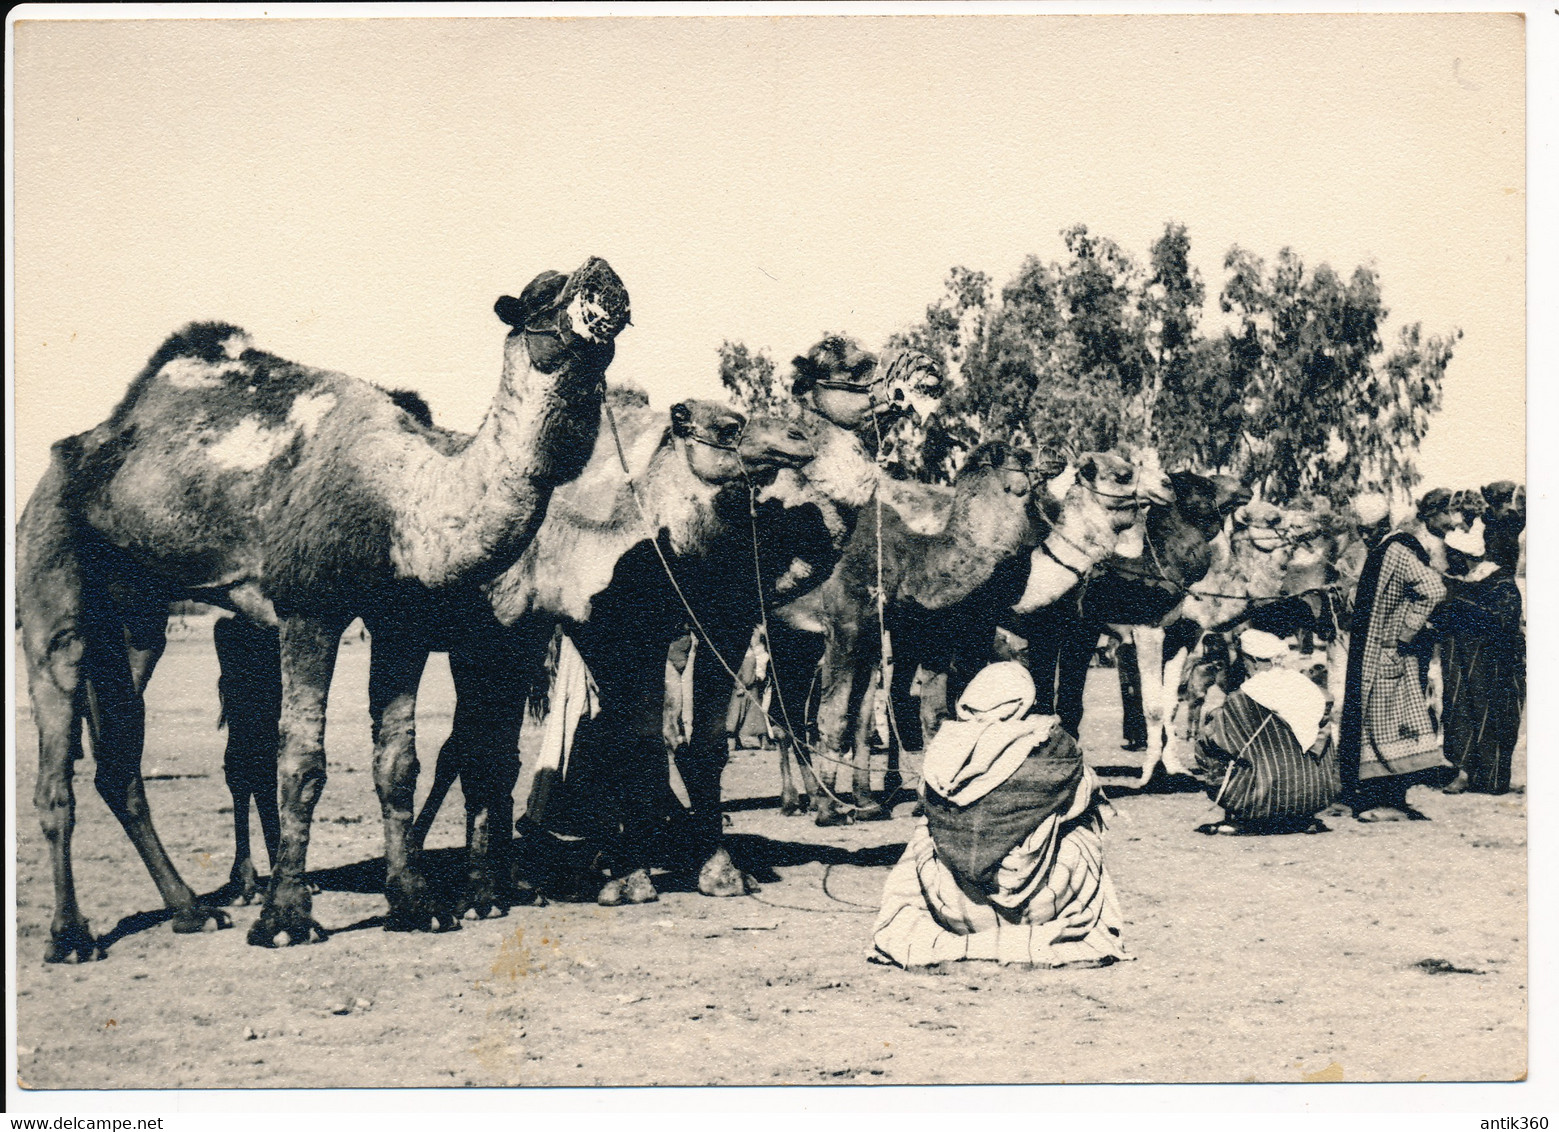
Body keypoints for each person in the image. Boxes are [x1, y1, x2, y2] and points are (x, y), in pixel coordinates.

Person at [869, 661, 1129, 969]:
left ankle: (942, 938)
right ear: (1024, 701)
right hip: (1043, 906)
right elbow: (1087, 794)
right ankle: (1036, 939)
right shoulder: (1056, 746)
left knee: (925, 829)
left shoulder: (942, 750)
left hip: (954, 910)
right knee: (1084, 820)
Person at [1336, 488, 1456, 822]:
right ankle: (1360, 797)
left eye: (1369, 528)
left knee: (1386, 728)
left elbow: (1433, 589)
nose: (1363, 535)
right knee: (1365, 724)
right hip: (1370, 653)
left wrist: (1405, 631)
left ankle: (1391, 803)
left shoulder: (1398, 550)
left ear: (1383, 523)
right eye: (1359, 529)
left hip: (1390, 655)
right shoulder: (1378, 550)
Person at [1192, 630, 1339, 835]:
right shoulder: (1307, 686)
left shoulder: (1244, 697)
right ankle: (1299, 816)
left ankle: (1250, 814)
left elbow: (1218, 740)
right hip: (1316, 794)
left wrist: (1212, 718)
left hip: (1266, 795)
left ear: (1251, 660)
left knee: (1206, 743)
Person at [1437, 486, 1525, 795]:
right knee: (1458, 708)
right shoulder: (1452, 581)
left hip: (1494, 662)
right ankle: (1462, 771)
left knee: (1495, 712)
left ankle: (1491, 776)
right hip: (1459, 657)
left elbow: (1504, 618)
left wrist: (1462, 607)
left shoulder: (1499, 579)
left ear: (1465, 555)